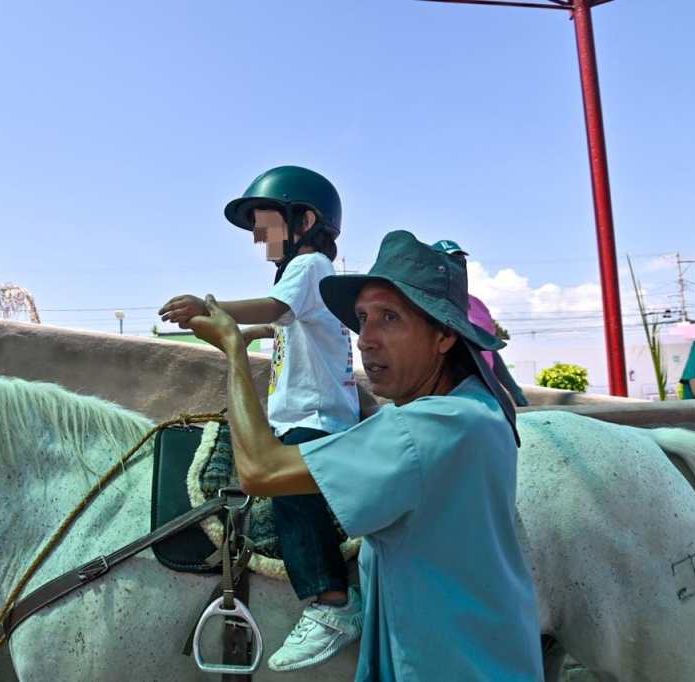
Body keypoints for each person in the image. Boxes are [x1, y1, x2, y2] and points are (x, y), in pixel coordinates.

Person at [186, 230, 543, 681]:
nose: (366, 339)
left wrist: (235, 349)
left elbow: (260, 470)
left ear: (444, 337)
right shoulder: (480, 410)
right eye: (362, 318)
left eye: (390, 318)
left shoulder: (424, 428)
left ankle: (329, 603)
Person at [158, 166, 361, 671]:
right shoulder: (308, 280)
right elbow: (282, 327)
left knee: (291, 495)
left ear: (304, 220)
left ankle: (331, 602)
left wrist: (210, 305)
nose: (256, 236)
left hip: (315, 419)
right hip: (304, 413)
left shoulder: (310, 265)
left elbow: (272, 306)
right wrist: (242, 337)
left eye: (263, 223)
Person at [432, 239, 529, 407]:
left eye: (460, 260)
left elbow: (489, 350)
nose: (456, 265)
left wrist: (513, 389)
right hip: (452, 398)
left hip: (484, 394)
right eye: (447, 260)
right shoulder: (428, 306)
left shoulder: (478, 305)